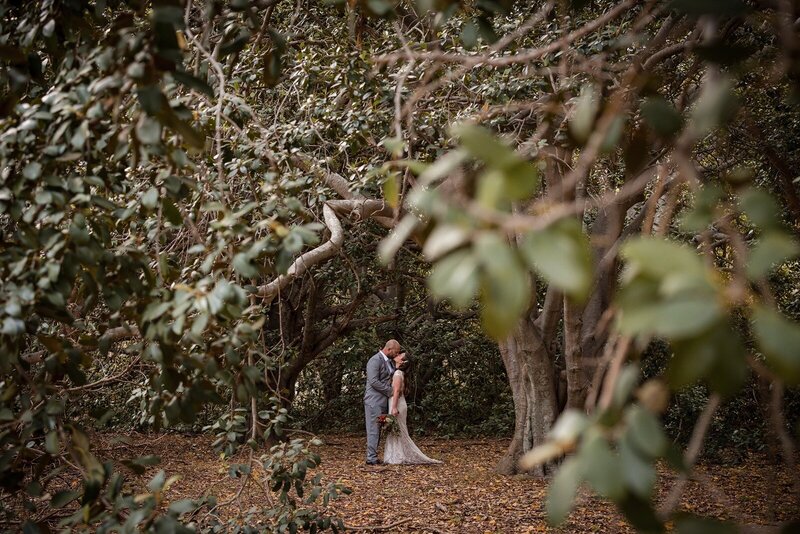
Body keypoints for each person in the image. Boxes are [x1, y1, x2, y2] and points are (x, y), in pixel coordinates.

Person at [383, 353, 442, 465]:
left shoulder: (397, 374)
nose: (398, 355)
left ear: (403, 362)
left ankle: (397, 456)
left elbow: (396, 392)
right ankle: (396, 455)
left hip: (397, 404)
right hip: (399, 403)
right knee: (397, 430)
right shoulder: (400, 373)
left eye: (400, 355)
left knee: (397, 430)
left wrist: (394, 407)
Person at [364, 339, 402, 465]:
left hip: (383, 402)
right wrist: (391, 391)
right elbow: (374, 381)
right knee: (373, 428)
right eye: (396, 352)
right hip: (374, 402)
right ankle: (371, 458)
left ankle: (373, 456)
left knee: (379, 428)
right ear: (389, 349)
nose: (397, 354)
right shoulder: (375, 360)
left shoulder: (388, 362)